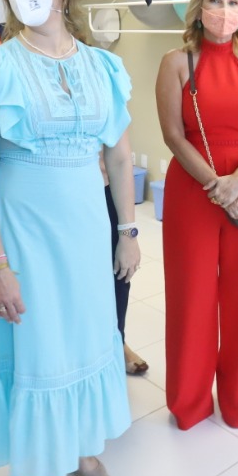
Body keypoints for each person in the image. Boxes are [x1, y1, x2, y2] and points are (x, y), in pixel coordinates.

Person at [0, 0, 137, 476]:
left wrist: (128, 231)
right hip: (23, 234)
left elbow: (120, 158)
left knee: (84, 337)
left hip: (84, 231)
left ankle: (79, 444)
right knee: (40, 346)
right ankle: (42, 471)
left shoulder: (103, 67)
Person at [155, 0, 238, 430]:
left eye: (233, 2)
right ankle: (190, 403)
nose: (224, 11)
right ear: (199, 8)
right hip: (194, 189)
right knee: (192, 299)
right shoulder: (176, 62)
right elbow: (173, 134)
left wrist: (237, 181)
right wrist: (215, 184)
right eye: (215, 1)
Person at [100, 156, 148, 375]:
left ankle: (118, 340)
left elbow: (120, 159)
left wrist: (128, 234)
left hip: (104, 186)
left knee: (119, 271)